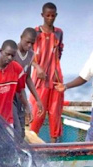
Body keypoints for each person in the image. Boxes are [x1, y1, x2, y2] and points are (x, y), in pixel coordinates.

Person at [29, 2, 64, 143]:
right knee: (38, 111)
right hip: (39, 79)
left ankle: (54, 144)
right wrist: (37, 67)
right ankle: (31, 141)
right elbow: (26, 53)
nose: (50, 18)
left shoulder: (59, 32)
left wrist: (54, 68)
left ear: (56, 16)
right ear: (42, 15)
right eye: (47, 15)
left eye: (53, 16)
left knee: (55, 112)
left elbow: (59, 52)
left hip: (56, 78)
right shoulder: (35, 32)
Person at [13, 27, 44, 139]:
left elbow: (28, 78)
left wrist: (38, 99)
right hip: (10, 95)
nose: (30, 45)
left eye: (32, 43)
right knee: (14, 127)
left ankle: (20, 154)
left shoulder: (31, 55)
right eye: (27, 42)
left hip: (21, 94)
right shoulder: (12, 52)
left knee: (21, 130)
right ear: (21, 38)